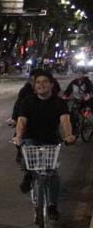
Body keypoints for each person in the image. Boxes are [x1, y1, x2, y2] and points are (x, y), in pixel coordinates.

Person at [14, 68, 75, 219]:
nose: (41, 85)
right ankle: (28, 175)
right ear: (34, 85)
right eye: (38, 82)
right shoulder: (28, 102)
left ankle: (52, 205)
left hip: (51, 140)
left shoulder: (59, 103)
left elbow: (65, 121)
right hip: (31, 138)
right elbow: (21, 121)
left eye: (45, 82)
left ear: (51, 84)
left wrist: (68, 136)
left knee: (53, 173)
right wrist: (19, 137)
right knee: (28, 159)